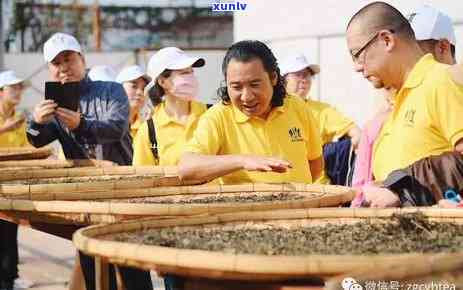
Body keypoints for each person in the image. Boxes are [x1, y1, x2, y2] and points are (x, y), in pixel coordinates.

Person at [26, 32, 152, 290]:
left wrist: (81, 124)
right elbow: (38, 140)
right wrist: (36, 123)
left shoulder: (111, 89)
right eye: (56, 63)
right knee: (92, 264)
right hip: (84, 194)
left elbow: (116, 128)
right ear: (50, 69)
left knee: (131, 264)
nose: (63, 68)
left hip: (122, 192)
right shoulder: (53, 103)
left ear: (82, 59)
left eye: (68, 59)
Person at [346, 2, 463, 207]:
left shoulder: (439, 82)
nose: (356, 67)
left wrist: (404, 191)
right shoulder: (397, 102)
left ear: (387, 40)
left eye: (357, 54)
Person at [178, 40, 323, 185]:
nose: (246, 96)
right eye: (236, 87)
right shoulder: (218, 116)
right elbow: (187, 168)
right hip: (246, 207)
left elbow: (315, 163)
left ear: (273, 78)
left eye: (255, 85)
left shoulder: (297, 106)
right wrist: (242, 160)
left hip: (299, 206)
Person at [280, 53, 361, 185]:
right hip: (281, 185)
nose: (304, 79)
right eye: (298, 74)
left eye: (307, 75)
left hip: (317, 187)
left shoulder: (322, 110)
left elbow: (356, 133)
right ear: (283, 79)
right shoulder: (273, 109)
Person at [132, 47, 207, 166]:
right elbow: (143, 178)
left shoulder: (211, 115)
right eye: (184, 73)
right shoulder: (149, 131)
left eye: (191, 72)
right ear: (162, 82)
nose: (191, 78)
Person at [0, 70, 34, 290]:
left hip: (10, 188)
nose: (18, 92)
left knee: (8, 235)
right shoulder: (10, 122)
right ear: (1, 92)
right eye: (13, 88)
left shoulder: (18, 119)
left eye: (19, 88)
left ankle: (9, 279)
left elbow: (25, 148)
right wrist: (5, 128)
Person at [116, 65, 152, 139]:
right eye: (134, 86)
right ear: (117, 88)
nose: (140, 92)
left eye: (143, 88)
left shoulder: (148, 126)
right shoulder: (108, 125)